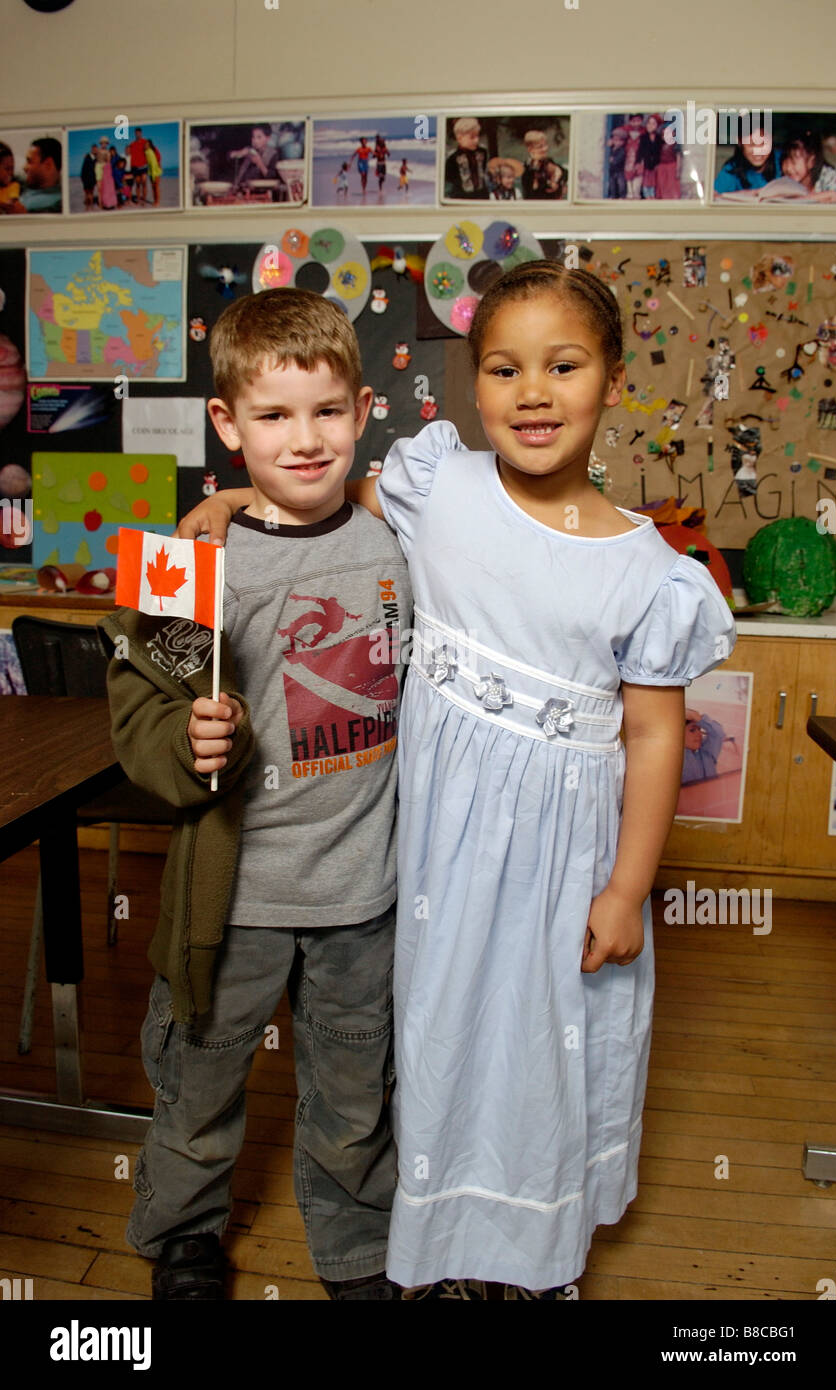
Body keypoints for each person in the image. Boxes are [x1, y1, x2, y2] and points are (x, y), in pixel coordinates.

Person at [177, 262, 736, 1298]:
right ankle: (437, 1249)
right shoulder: (440, 487)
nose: (533, 392)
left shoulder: (651, 573)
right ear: (471, 383)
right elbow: (326, 485)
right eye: (504, 368)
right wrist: (238, 497)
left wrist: (626, 889)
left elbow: (656, 739)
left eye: (563, 366)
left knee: (535, 1047)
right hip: (429, 848)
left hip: (556, 863)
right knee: (430, 1038)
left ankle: (528, 1254)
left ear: (611, 379)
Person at [102, 288, 412, 1301]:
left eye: (327, 411)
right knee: (198, 1081)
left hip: (363, 895)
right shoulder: (188, 565)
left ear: (365, 411)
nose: (306, 438)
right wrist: (182, 744)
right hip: (230, 903)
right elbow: (137, 710)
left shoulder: (399, 541)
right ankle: (183, 1235)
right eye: (273, 416)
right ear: (227, 425)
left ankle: (359, 1244)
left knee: (355, 1088)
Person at [714, 120, 781, 193]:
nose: (757, 151)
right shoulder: (732, 169)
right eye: (751, 144)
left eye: (763, 144)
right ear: (740, 142)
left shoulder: (783, 162)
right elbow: (715, 195)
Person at [0, 136, 62, 214]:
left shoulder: (58, 202)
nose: (24, 167)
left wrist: (23, 216)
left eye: (29, 161)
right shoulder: (20, 182)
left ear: (48, 164)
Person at [781, 131, 836, 204]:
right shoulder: (786, 179)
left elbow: (835, 196)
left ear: (812, 161)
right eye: (786, 162)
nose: (789, 168)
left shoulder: (828, 176)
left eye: (794, 163)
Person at [443, 116, 489, 199]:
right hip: (462, 196)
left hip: (482, 195)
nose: (476, 140)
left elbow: (483, 169)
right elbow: (449, 178)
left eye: (477, 136)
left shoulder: (482, 152)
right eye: (472, 137)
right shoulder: (453, 158)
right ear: (459, 138)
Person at [681, 709, 726, 783]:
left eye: (699, 729)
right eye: (692, 730)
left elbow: (718, 734)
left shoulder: (706, 752)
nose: (699, 734)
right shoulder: (675, 758)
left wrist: (698, 718)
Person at [521, 128, 566, 199]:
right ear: (530, 149)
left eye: (545, 145)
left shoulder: (548, 161)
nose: (545, 149)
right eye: (540, 147)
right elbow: (533, 191)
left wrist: (556, 180)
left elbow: (564, 172)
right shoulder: (527, 168)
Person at [128, 126, 148, 203]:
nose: (138, 134)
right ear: (135, 134)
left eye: (139, 133)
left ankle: (144, 199)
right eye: (136, 133)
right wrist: (131, 168)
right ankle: (139, 199)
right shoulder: (132, 144)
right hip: (136, 167)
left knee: (144, 182)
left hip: (143, 166)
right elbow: (130, 156)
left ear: (141, 133)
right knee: (138, 184)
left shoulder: (145, 142)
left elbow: (150, 153)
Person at [0, 142, 20, 206]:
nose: (11, 173)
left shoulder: (13, 186)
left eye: (12, 168)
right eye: (7, 169)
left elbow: (10, 205)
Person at [145, 138, 162, 206]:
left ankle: (157, 202)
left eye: (147, 144)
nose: (145, 145)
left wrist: (153, 174)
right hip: (151, 172)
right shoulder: (146, 152)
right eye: (145, 144)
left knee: (156, 187)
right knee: (153, 187)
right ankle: (155, 201)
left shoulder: (150, 152)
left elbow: (153, 163)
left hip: (155, 172)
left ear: (149, 145)